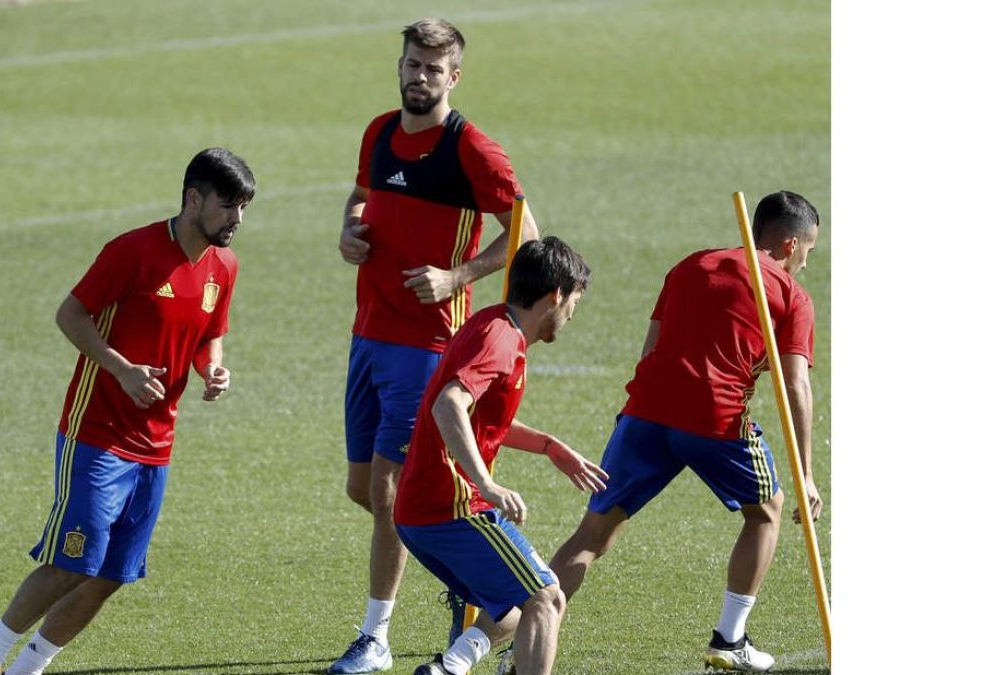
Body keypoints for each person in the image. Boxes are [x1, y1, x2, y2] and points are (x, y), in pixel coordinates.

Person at [0, 148, 256, 675]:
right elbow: (70, 314)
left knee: (112, 574)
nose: (238, 219)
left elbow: (210, 335)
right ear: (194, 199)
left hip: (157, 443)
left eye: (244, 207)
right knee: (71, 562)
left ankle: (30, 665)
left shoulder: (224, 267)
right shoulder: (133, 252)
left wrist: (213, 368)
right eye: (229, 205)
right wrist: (121, 369)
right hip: (97, 433)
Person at [505, 191, 821, 674]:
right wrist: (807, 474)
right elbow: (796, 382)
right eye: (808, 253)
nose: (806, 263)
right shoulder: (791, 296)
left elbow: (651, 346)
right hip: (716, 420)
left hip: (646, 412)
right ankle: (730, 638)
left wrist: (631, 415)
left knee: (593, 533)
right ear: (790, 243)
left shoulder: (690, 265)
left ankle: (520, 647)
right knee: (767, 511)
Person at [329, 17, 542, 674]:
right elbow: (361, 197)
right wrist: (350, 229)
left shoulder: (473, 150)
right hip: (368, 335)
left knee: (392, 490)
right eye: (410, 64)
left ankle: (375, 637)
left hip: (427, 345)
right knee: (364, 489)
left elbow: (526, 236)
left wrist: (456, 276)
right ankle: (469, 583)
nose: (418, 77)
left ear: (454, 76)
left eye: (432, 69)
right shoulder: (379, 132)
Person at [393, 236, 608, 675]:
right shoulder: (501, 339)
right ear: (556, 296)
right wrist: (487, 484)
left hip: (424, 510)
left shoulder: (493, 324)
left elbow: (479, 418)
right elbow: (449, 404)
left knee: (515, 608)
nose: (570, 318)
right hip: (451, 507)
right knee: (547, 597)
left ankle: (448, 667)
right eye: (573, 306)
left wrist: (548, 446)